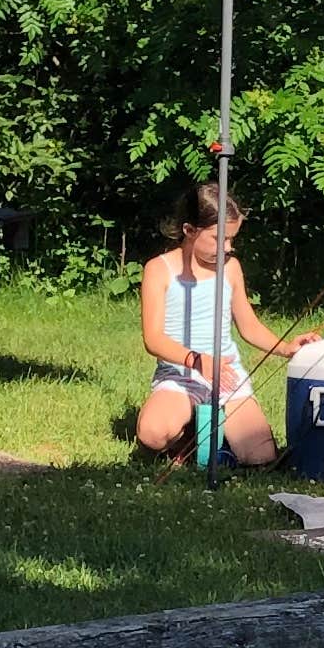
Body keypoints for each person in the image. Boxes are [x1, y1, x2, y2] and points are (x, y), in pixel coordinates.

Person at [134, 181, 283, 464]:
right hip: (180, 375)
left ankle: (214, 434)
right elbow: (153, 339)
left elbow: (249, 326)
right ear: (189, 230)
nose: (228, 248)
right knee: (153, 434)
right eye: (219, 239)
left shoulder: (231, 268)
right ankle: (185, 431)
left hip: (225, 374)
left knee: (261, 457)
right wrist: (195, 360)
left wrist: (287, 348)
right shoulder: (159, 269)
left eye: (232, 240)